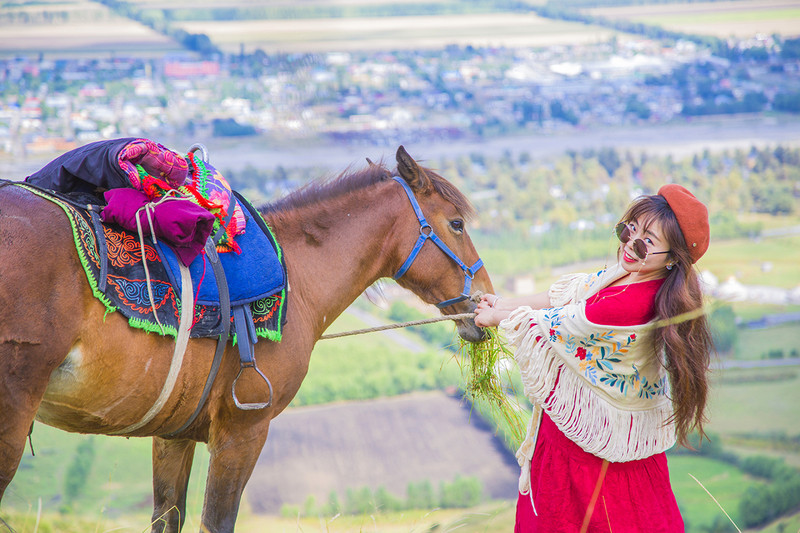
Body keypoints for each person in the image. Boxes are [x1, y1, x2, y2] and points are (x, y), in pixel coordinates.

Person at [473, 184, 713, 532]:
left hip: (590, 450)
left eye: (647, 242)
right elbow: (568, 296)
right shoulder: (629, 276)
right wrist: (505, 303)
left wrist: (499, 317)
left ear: (673, 258)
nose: (631, 245)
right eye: (629, 230)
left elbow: (557, 324)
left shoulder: (631, 302)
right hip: (591, 437)